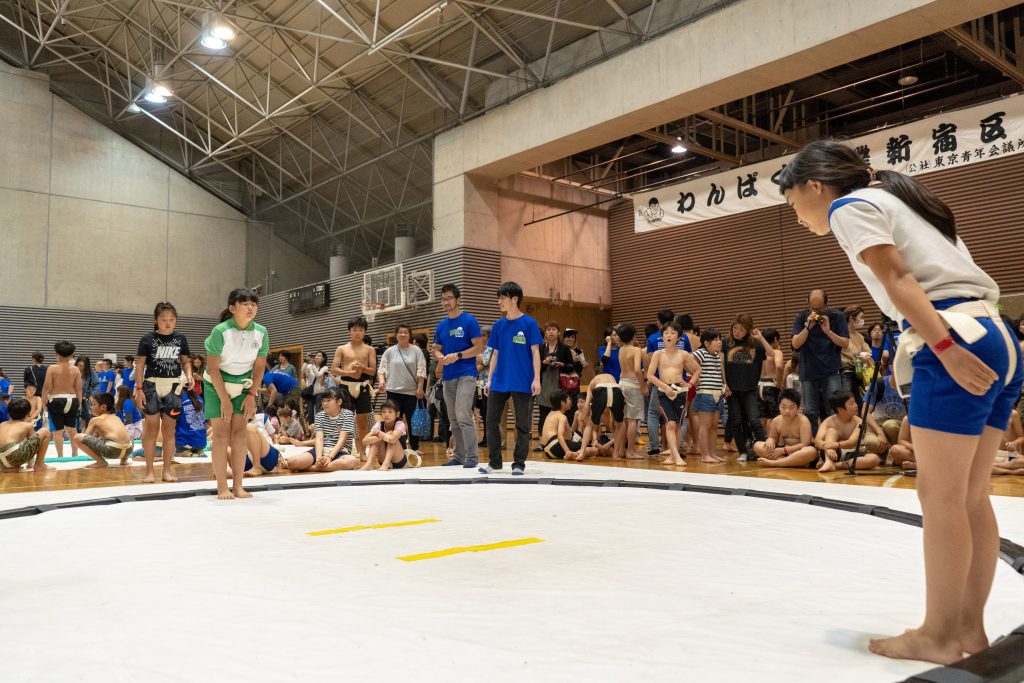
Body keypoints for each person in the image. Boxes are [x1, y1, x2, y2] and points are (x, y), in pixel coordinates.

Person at [780, 140, 1024, 664]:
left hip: (952, 335)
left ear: (815, 186)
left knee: (940, 499)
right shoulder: (902, 200)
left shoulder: (850, 206)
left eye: (793, 201)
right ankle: (967, 633)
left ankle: (937, 635)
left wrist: (943, 349)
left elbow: (898, 278)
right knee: (970, 497)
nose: (797, 216)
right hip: (998, 334)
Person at [204, 288, 269, 500]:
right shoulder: (220, 331)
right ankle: (222, 486)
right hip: (217, 384)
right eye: (245, 304)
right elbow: (213, 368)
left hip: (243, 385)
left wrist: (252, 395)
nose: (250, 308)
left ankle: (239, 486)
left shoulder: (261, 332)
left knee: (240, 434)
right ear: (232, 308)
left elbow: (259, 368)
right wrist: (224, 399)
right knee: (221, 435)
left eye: (253, 304)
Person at [480, 281, 541, 475]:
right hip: (499, 380)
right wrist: (489, 379)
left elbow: (536, 353)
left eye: (503, 297)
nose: (499, 301)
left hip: (523, 380)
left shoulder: (529, 323)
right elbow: (495, 354)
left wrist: (537, 379)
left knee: (522, 424)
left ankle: (519, 463)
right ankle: (495, 462)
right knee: (491, 421)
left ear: (514, 299)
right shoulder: (498, 325)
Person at [133, 302, 193, 484]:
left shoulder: (181, 338)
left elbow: (186, 361)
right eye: (164, 319)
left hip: (174, 387)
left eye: (172, 320)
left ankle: (166, 471)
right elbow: (140, 365)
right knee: (151, 429)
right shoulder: (147, 339)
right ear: (156, 320)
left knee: (170, 431)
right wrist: (139, 389)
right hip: (152, 385)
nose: (168, 323)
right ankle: (149, 471)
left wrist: (189, 375)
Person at [433, 284, 483, 468]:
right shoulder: (441, 325)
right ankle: (459, 456)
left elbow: (478, 348)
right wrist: (440, 357)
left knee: (463, 415)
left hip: (466, 375)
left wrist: (458, 355)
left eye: (449, 298)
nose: (446, 302)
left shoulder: (469, 321)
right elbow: (435, 349)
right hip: (448, 377)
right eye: (443, 298)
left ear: (458, 299)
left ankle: (472, 457)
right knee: (453, 419)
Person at [790, 289, 849, 433]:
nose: (817, 313)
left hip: (831, 370)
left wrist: (828, 331)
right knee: (810, 411)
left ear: (826, 305)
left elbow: (845, 343)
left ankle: (832, 440)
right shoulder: (801, 317)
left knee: (833, 410)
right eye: (813, 309)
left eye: (820, 310)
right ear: (808, 304)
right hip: (808, 371)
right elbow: (795, 344)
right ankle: (815, 443)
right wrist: (808, 328)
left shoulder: (837, 316)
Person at [646, 322, 701, 467]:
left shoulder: (683, 354)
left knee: (677, 424)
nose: (669, 335)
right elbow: (650, 375)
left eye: (672, 333)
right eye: (666, 333)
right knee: (670, 423)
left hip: (680, 391)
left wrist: (690, 384)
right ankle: (676, 456)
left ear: (678, 337)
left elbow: (697, 369)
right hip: (664, 390)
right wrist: (664, 387)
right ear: (662, 336)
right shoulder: (658, 354)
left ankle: (672, 455)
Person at [723, 315, 774, 460]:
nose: (737, 332)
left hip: (750, 389)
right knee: (736, 420)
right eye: (734, 328)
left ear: (748, 330)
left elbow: (771, 353)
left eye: (741, 329)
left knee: (754, 420)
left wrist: (761, 337)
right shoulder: (726, 342)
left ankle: (766, 450)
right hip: (732, 390)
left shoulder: (756, 344)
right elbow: (721, 366)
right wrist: (724, 384)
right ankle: (743, 451)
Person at [377, 324, 427, 454]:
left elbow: (421, 370)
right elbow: (381, 369)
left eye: (406, 332)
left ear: (410, 335)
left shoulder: (416, 350)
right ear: (396, 335)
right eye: (400, 332)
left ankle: (415, 447)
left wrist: (420, 388)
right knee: (393, 420)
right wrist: (382, 382)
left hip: (411, 392)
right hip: (393, 392)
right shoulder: (389, 351)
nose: (403, 334)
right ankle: (397, 446)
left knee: (412, 420)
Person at [280, 388, 357, 472]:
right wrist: (318, 459)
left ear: (339, 402)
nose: (325, 403)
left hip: (340, 452)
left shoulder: (347, 414)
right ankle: (323, 467)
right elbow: (319, 439)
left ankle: (311, 468)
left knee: (351, 461)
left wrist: (329, 457)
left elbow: (342, 440)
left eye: (328, 400)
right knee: (291, 462)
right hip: (320, 450)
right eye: (323, 401)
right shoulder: (320, 416)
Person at [331, 316, 378, 454]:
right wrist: (350, 373)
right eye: (354, 330)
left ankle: (362, 452)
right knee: (344, 419)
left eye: (361, 330)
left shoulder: (370, 349)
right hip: (345, 385)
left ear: (365, 332)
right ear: (349, 331)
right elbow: (334, 369)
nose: (357, 332)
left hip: (362, 386)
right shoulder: (342, 348)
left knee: (362, 421)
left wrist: (362, 368)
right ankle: (342, 450)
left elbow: (373, 370)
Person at [814, 390, 885, 473]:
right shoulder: (829, 421)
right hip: (831, 454)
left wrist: (837, 444)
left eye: (855, 402)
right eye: (851, 404)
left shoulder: (858, 421)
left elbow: (852, 442)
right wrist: (827, 447)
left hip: (850, 454)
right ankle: (829, 462)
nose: (856, 405)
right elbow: (817, 440)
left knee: (875, 459)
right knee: (831, 431)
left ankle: (836, 465)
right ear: (840, 409)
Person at [753, 388, 818, 467]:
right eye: (783, 407)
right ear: (779, 406)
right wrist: (770, 440)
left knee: (810, 451)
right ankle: (791, 463)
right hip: (785, 455)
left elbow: (805, 444)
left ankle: (775, 463)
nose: (787, 411)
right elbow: (773, 438)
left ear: (798, 408)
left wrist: (783, 450)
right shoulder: (776, 421)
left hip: (799, 452)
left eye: (791, 407)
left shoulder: (803, 421)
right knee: (757, 445)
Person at [41, 340, 82, 459]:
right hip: (73, 400)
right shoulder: (75, 369)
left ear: (56, 353)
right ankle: (75, 453)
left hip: (56, 400)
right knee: (72, 429)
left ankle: (60, 456)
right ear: (71, 355)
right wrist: (78, 403)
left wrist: (43, 404)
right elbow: (79, 389)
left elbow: (46, 387)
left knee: (58, 431)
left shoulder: (52, 368)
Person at [692, 329, 727, 464]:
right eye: (716, 339)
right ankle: (704, 454)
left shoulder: (717, 355)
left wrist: (725, 385)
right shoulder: (700, 353)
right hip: (706, 393)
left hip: (718, 393)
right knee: (704, 426)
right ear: (706, 343)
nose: (719, 342)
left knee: (713, 427)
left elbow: (720, 372)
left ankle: (712, 453)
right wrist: (695, 379)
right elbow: (687, 361)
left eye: (720, 339)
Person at [536, 321, 574, 448]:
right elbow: (535, 368)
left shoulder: (564, 348)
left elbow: (571, 367)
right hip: (544, 383)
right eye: (548, 330)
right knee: (543, 413)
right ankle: (542, 442)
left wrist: (561, 364)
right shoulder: (541, 348)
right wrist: (544, 362)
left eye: (554, 329)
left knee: (560, 413)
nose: (551, 332)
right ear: (545, 333)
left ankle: (560, 440)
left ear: (558, 332)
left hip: (559, 385)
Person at [614, 322, 647, 459]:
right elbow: (637, 370)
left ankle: (622, 450)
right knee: (633, 420)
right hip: (633, 384)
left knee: (625, 420)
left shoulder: (621, 349)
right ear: (634, 335)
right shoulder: (636, 350)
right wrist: (643, 386)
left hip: (622, 383)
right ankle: (631, 451)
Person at [74, 393, 133, 468]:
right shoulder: (116, 418)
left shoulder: (95, 420)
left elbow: (85, 438)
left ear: (103, 407)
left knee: (77, 437)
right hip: (128, 450)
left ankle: (101, 461)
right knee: (127, 435)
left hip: (113, 450)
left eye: (93, 404)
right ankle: (124, 460)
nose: (91, 407)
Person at [361, 400, 420, 471]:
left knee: (390, 436)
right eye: (384, 412)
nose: (386, 414)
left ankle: (386, 464)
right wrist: (379, 437)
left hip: (398, 460)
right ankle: (368, 464)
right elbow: (364, 441)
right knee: (376, 438)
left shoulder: (400, 424)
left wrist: (380, 434)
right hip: (382, 458)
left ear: (397, 414)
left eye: (390, 412)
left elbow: (392, 439)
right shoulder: (379, 424)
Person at [0, 398, 52, 472]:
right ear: (27, 414)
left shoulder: (2, 424)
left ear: (9, 413)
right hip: (14, 455)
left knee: (14, 446)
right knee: (45, 431)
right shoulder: (27, 425)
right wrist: (30, 465)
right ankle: (39, 465)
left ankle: (9, 467)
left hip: (1, 460)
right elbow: (33, 444)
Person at [840, 306, 872, 402]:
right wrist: (859, 355)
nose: (863, 320)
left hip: (859, 371)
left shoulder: (860, 336)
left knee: (860, 401)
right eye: (861, 317)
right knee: (846, 400)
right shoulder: (840, 334)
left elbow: (868, 352)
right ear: (851, 317)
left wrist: (863, 356)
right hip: (845, 371)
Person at [757, 329, 785, 433]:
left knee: (762, 416)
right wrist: (779, 383)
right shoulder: (776, 352)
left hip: (759, 386)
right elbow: (779, 367)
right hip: (771, 385)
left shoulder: (759, 352)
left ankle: (758, 441)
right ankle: (779, 442)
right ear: (775, 339)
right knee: (777, 415)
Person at [540, 391, 581, 460]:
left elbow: (568, 435)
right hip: (555, 446)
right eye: (568, 399)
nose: (570, 401)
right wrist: (567, 451)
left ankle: (572, 454)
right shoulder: (562, 416)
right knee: (590, 449)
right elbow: (560, 435)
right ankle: (570, 455)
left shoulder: (550, 413)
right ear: (562, 402)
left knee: (577, 442)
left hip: (547, 450)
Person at [561, 328, 586, 425]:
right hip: (562, 384)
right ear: (564, 338)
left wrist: (578, 361)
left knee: (574, 407)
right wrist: (571, 360)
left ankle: (572, 432)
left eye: (572, 337)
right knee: (563, 407)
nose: (570, 339)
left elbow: (581, 368)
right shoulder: (560, 349)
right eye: (568, 337)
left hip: (575, 384)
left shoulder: (578, 351)